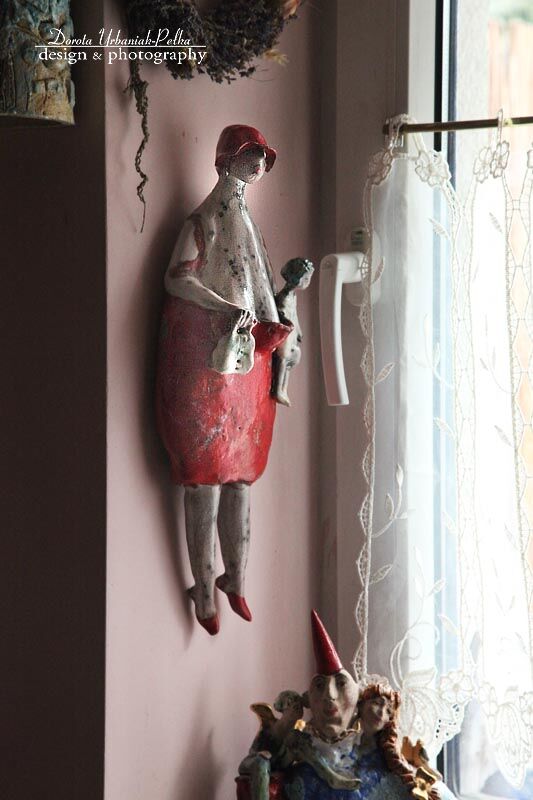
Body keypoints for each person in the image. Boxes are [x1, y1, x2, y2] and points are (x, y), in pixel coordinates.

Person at [156, 125, 300, 634]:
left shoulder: (246, 222)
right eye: (249, 155)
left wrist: (278, 320)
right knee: (206, 478)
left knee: (241, 475)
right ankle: (204, 587)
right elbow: (177, 278)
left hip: (247, 362)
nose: (257, 164)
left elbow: (258, 282)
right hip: (210, 364)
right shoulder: (205, 221)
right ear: (226, 161)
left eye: (261, 156)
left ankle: (234, 577)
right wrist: (225, 308)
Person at [273, 257, 314, 406]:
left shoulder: (293, 296)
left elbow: (294, 315)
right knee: (283, 358)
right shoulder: (284, 297)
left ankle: (284, 388)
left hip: (292, 333)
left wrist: (299, 331)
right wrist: (290, 325)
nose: (308, 281)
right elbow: (282, 314)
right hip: (285, 333)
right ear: (296, 278)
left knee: (292, 357)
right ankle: (278, 390)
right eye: (306, 278)